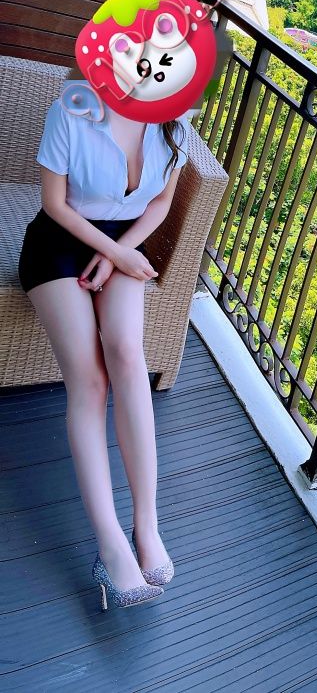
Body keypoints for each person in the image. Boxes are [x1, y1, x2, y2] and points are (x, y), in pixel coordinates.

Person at [17, 75, 189, 610]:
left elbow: (160, 203)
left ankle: (146, 525)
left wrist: (122, 253)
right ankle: (110, 543)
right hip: (58, 244)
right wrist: (113, 255)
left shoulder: (176, 120)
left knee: (128, 356)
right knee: (90, 380)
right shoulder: (72, 110)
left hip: (123, 242)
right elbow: (54, 205)